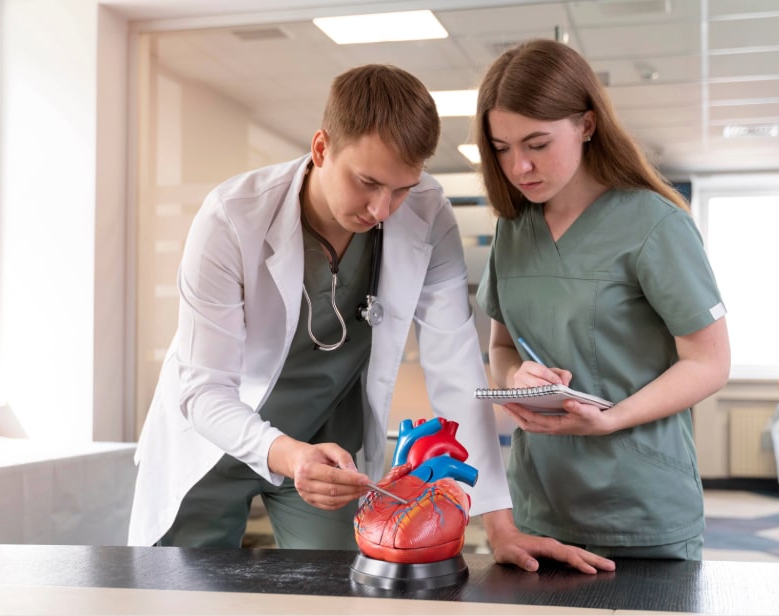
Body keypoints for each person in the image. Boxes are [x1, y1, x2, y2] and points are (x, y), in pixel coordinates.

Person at [128, 63, 613, 574]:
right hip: (216, 440)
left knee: (339, 589)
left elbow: (455, 366)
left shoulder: (427, 213)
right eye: (367, 182)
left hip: (328, 451)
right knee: (182, 591)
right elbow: (204, 389)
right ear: (321, 148)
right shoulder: (232, 216)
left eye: (402, 188)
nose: (382, 208)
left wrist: (499, 522)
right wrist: (287, 455)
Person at [473, 39, 731, 560]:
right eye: (502, 148)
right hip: (539, 507)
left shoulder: (656, 225)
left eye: (537, 143)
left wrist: (611, 417)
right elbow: (501, 350)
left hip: (641, 508)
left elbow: (710, 361)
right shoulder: (513, 230)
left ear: (587, 125)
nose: (519, 165)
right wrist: (514, 378)